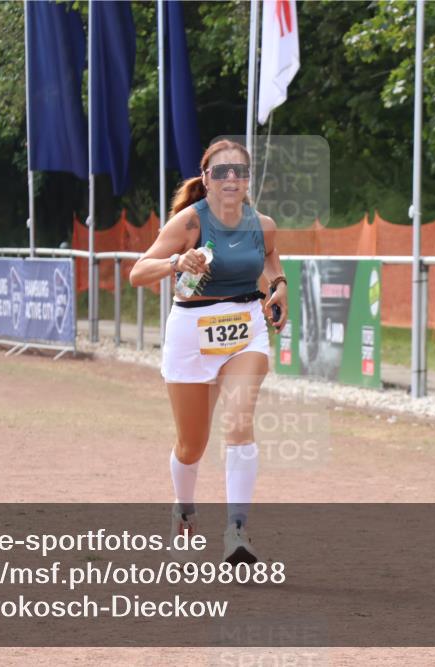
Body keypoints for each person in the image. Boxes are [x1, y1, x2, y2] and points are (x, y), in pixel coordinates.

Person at [129, 139, 288, 565]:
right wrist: (177, 264)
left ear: (248, 179)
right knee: (191, 446)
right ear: (207, 179)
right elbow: (138, 272)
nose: (231, 178)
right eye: (221, 172)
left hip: (245, 331)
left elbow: (271, 259)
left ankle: (236, 531)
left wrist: (278, 287)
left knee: (239, 422)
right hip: (191, 335)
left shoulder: (263, 224)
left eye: (239, 171)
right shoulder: (189, 223)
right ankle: (184, 507)